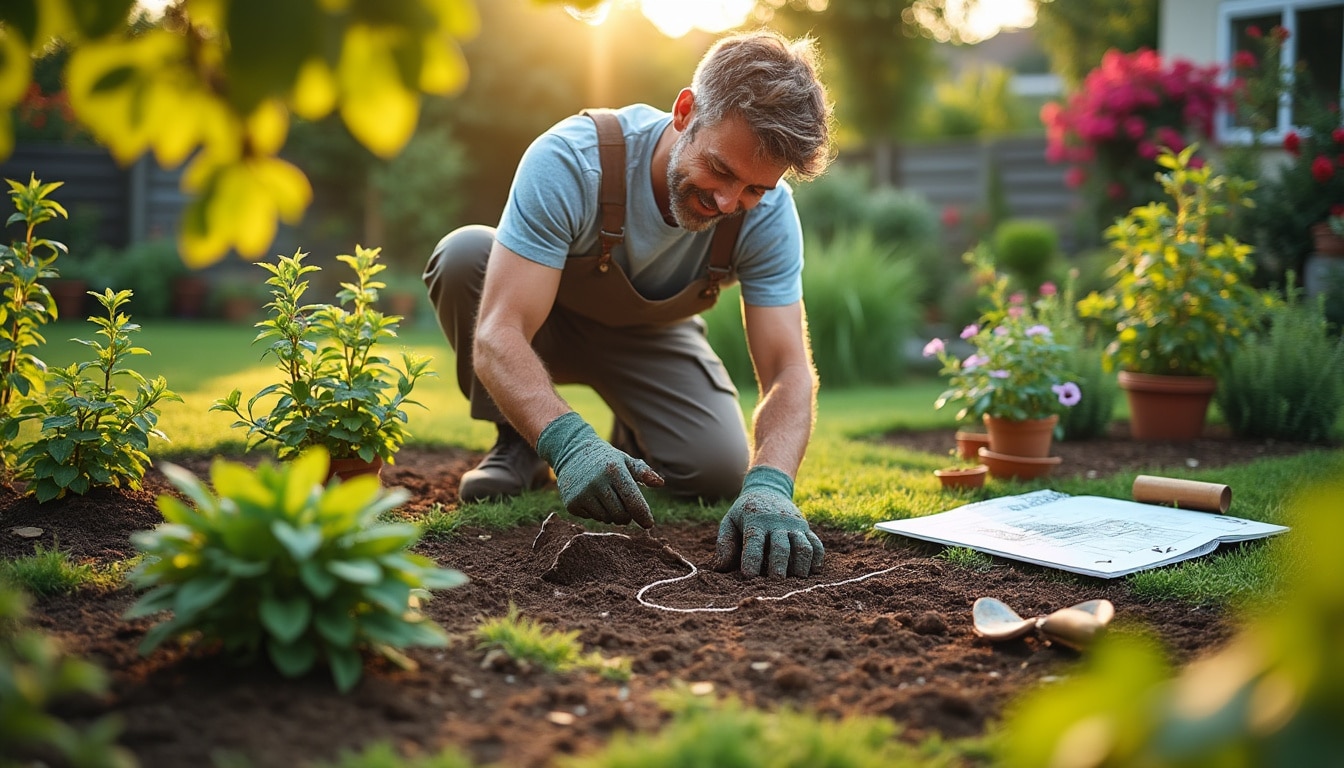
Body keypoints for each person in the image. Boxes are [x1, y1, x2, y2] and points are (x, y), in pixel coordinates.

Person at [424, 29, 833, 579]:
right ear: (685, 111)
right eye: (721, 170)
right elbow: (499, 333)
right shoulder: (572, 160)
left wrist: (772, 484)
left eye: (754, 189)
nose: (727, 202)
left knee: (716, 470)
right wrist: (567, 444)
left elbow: (788, 368)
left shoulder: (769, 217)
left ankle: (631, 431)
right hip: (542, 323)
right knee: (466, 254)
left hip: (651, 339)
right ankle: (518, 443)